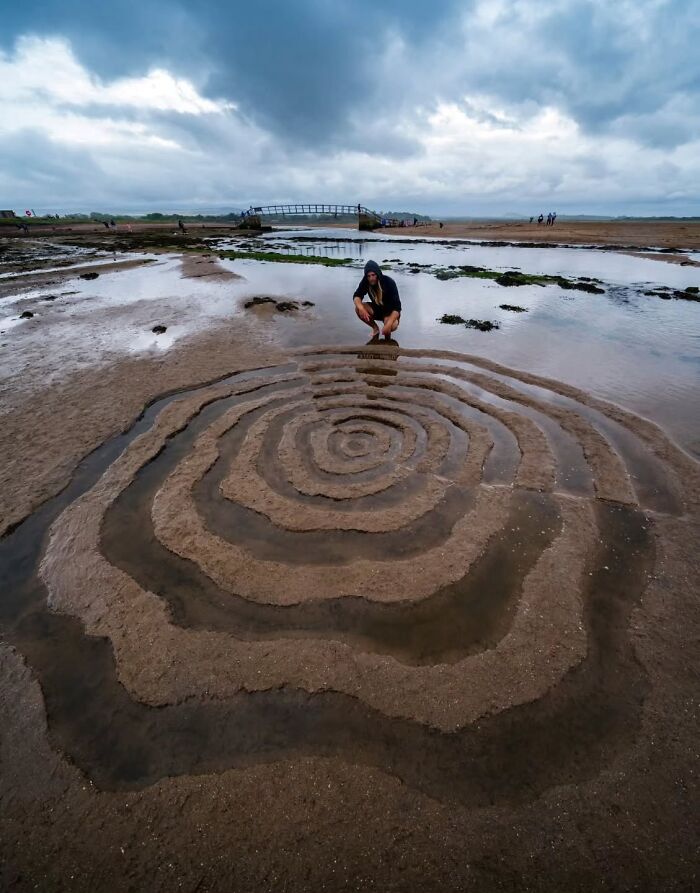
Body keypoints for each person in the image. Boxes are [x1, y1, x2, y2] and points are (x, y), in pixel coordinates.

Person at [353, 259, 401, 340]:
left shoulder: (389, 282)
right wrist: (361, 308)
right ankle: (375, 329)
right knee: (358, 308)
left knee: (391, 326)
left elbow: (397, 308)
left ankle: (387, 340)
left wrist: (388, 324)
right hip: (377, 309)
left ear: (378, 274)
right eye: (368, 276)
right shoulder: (366, 281)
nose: (371, 278)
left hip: (390, 312)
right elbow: (357, 296)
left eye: (373, 275)